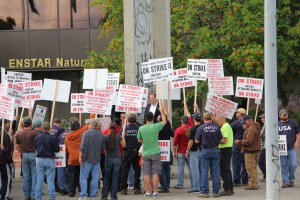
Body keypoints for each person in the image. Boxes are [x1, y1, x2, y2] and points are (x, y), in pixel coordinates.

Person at [137, 106, 166, 197]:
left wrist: (145, 140)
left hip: (145, 153)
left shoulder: (141, 128)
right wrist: (162, 112)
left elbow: (139, 140)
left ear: (145, 118)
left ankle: (147, 192)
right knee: (155, 173)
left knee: (146, 173)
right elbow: (164, 121)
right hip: (155, 153)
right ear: (153, 118)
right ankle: (155, 191)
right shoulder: (156, 126)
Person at [195, 112, 224, 198]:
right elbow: (222, 140)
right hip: (215, 150)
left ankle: (205, 192)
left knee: (204, 171)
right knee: (216, 171)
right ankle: (216, 192)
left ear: (204, 119)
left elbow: (196, 141)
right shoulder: (217, 127)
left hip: (204, 151)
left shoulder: (201, 128)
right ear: (211, 119)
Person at [79, 119, 105, 200]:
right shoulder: (101, 135)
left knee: (83, 177)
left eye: (88, 124)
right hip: (96, 159)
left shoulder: (86, 133)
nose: (88, 125)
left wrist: (80, 157)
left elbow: (82, 147)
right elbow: (103, 148)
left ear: (91, 125)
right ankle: (93, 196)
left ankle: (83, 195)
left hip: (86, 158)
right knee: (95, 178)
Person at [15, 117, 40, 200]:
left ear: (23, 124)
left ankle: (26, 195)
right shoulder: (36, 133)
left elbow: (17, 146)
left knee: (26, 176)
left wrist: (21, 152)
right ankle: (33, 194)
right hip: (34, 154)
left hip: (25, 155)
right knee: (34, 175)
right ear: (31, 124)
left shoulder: (19, 133)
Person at [34, 121, 60, 200]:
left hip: (40, 159)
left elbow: (35, 148)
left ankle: (37, 197)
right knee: (50, 181)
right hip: (50, 159)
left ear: (42, 128)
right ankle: (51, 197)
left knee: (39, 180)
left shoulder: (37, 137)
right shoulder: (53, 137)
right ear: (50, 128)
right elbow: (57, 149)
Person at [234, 115, 261, 190]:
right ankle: (255, 183)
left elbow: (248, 141)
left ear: (249, 121)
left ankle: (253, 185)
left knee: (250, 168)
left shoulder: (251, 129)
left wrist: (240, 141)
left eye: (245, 122)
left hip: (250, 151)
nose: (244, 124)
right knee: (254, 168)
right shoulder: (256, 127)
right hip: (255, 150)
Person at [65, 117, 89, 197]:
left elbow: (66, 150)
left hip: (72, 159)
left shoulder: (67, 137)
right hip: (81, 158)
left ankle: (71, 192)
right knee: (84, 176)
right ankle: (84, 191)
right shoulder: (82, 132)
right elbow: (87, 125)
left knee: (73, 176)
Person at [102, 123, 126, 200]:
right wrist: (123, 137)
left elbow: (103, 149)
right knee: (115, 178)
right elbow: (124, 145)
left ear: (109, 128)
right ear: (116, 128)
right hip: (117, 158)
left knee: (106, 178)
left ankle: (104, 196)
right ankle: (113, 196)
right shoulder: (118, 136)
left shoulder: (105, 137)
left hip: (108, 158)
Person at [120, 114, 142, 195]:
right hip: (136, 151)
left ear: (128, 120)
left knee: (124, 171)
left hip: (127, 151)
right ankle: (137, 188)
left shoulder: (124, 128)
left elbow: (120, 139)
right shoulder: (139, 128)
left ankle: (123, 189)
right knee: (137, 171)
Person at [278, 109, 300, 188]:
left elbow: (298, 133)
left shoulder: (292, 123)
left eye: (286, 114)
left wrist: (297, 142)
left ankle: (291, 179)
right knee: (283, 165)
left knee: (293, 165)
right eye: (283, 114)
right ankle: (286, 181)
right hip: (282, 149)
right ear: (280, 116)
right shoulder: (277, 124)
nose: (285, 115)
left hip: (291, 148)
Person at [173, 106, 193, 189]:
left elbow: (175, 143)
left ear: (181, 121)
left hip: (181, 151)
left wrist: (174, 152)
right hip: (190, 151)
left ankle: (180, 184)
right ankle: (193, 183)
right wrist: (187, 109)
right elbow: (190, 117)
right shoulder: (191, 127)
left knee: (180, 168)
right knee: (191, 168)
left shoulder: (178, 130)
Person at [215, 115, 234, 196]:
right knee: (227, 170)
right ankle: (230, 188)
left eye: (217, 120)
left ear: (222, 119)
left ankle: (226, 189)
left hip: (225, 149)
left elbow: (225, 140)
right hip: (227, 149)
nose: (217, 122)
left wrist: (216, 140)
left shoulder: (225, 127)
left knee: (224, 170)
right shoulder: (226, 126)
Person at [185, 106, 202, 194]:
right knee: (202, 169)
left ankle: (196, 187)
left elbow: (191, 141)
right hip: (202, 150)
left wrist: (187, 151)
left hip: (195, 151)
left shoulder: (193, 129)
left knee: (194, 170)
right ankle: (202, 186)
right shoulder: (203, 126)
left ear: (194, 119)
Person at [230, 108, 248, 187]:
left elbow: (229, 130)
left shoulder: (236, 123)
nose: (236, 114)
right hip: (246, 144)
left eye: (237, 112)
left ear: (240, 113)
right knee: (245, 163)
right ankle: (245, 180)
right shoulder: (248, 122)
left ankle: (236, 180)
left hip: (237, 145)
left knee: (236, 163)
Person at [157, 113, 173, 193]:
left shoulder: (159, 127)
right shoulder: (168, 126)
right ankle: (167, 184)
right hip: (166, 149)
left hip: (161, 149)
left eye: (158, 117)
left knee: (161, 168)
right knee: (166, 168)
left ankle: (164, 186)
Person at [0, 119, 14, 200]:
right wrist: (10, 161)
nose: (9, 124)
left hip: (3, 160)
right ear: (4, 124)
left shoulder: (5, 134)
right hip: (3, 161)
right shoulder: (4, 135)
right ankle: (4, 196)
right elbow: (7, 150)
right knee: (6, 178)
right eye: (8, 123)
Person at [258, 113, 266, 183]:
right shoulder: (264, 126)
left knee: (260, 161)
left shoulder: (266, 126)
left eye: (262, 118)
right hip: (263, 146)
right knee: (262, 162)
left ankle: (266, 175)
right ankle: (265, 175)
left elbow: (261, 136)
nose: (261, 119)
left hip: (265, 147)